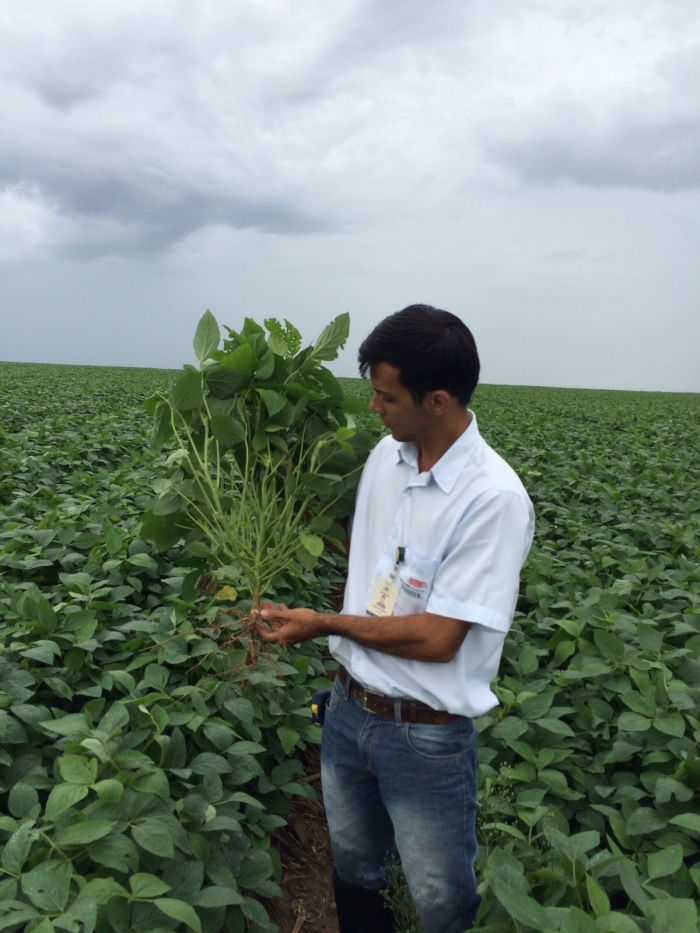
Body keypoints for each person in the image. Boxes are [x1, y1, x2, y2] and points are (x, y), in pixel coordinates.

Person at [259, 304, 535, 933]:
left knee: (440, 903)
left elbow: (439, 639)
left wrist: (324, 623)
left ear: (437, 400)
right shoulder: (387, 458)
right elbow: (368, 562)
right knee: (355, 870)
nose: (374, 409)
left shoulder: (492, 499)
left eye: (385, 396)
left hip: (426, 738)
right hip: (348, 710)